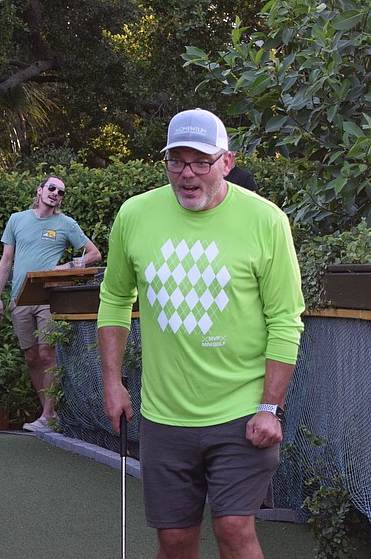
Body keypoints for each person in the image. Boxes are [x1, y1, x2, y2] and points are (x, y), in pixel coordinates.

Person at [97, 109, 304, 558]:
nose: (187, 174)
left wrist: (271, 407)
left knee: (233, 527)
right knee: (174, 540)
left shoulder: (266, 221)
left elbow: (285, 319)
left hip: (242, 412)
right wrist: (112, 383)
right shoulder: (135, 215)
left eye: (201, 162)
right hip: (164, 414)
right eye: (177, 161)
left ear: (226, 162)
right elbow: (114, 299)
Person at [0, 176, 102, 432]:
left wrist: (65, 266)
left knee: (46, 354)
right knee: (31, 357)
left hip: (49, 297)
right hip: (19, 298)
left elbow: (94, 254)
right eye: (52, 188)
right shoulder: (16, 219)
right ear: (40, 189)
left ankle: (47, 415)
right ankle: (49, 416)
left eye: (61, 192)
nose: (55, 193)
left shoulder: (66, 224)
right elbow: (6, 261)